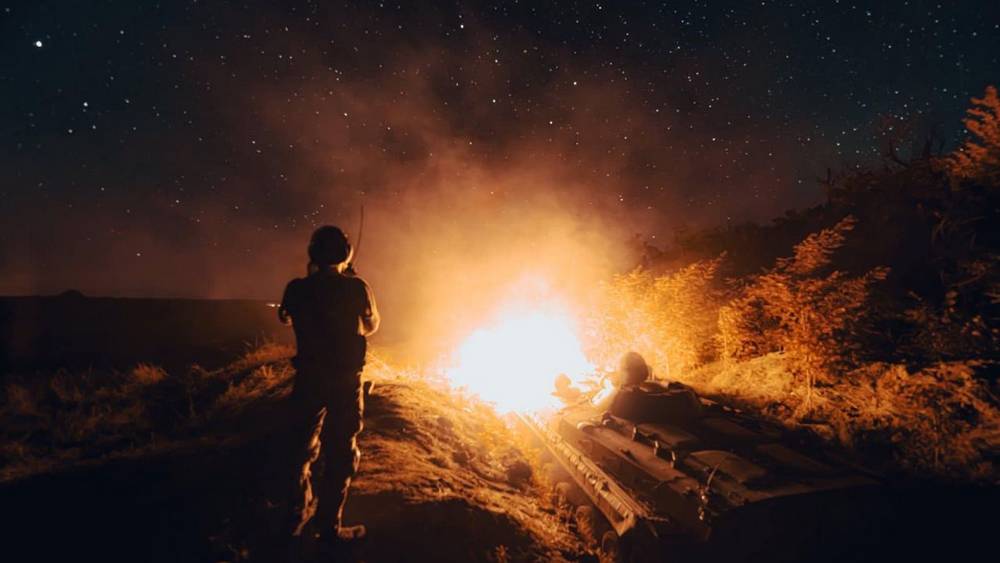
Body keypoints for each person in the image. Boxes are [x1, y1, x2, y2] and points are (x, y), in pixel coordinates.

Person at [278, 225, 380, 546]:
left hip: (309, 378)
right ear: (345, 254)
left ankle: (295, 515)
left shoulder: (296, 289)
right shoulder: (357, 288)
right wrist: (347, 282)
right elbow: (370, 325)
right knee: (341, 451)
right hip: (344, 380)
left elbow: (286, 318)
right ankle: (327, 527)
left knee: (299, 449)